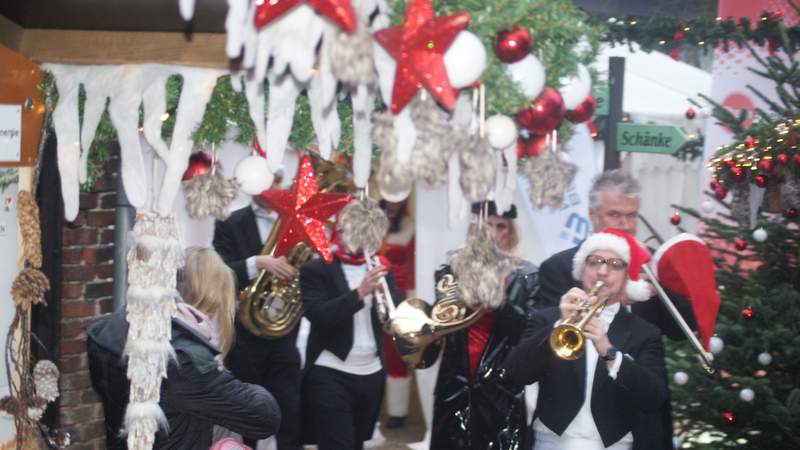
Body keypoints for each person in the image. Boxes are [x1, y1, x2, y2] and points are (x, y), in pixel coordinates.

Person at [87, 247, 281, 449]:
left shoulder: (111, 328)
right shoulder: (185, 359)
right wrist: (230, 381)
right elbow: (266, 417)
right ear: (214, 296)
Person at [503, 229, 669, 450]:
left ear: (626, 277)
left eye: (614, 264)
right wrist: (558, 326)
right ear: (581, 271)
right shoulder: (547, 319)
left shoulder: (644, 333)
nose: (602, 271)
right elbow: (515, 373)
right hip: (550, 443)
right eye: (594, 262)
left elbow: (654, 397)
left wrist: (609, 351)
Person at [430, 201, 539, 449]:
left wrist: (501, 304)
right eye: (487, 226)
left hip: (501, 388)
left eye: (501, 226)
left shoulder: (526, 275)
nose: (493, 233)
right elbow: (440, 320)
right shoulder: (451, 268)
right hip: (455, 382)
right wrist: (463, 294)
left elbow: (527, 331)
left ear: (510, 231)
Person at [212, 188, 303, 450]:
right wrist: (257, 263)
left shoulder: (295, 222)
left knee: (290, 413)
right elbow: (220, 273)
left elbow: (309, 270)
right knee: (247, 414)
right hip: (245, 339)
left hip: (284, 334)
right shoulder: (230, 222)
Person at [298, 223, 401, 450]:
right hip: (330, 372)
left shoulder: (380, 268)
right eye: (349, 230)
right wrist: (359, 293)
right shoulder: (317, 269)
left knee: (356, 444)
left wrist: (388, 296)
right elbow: (319, 315)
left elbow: (397, 315)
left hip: (371, 372)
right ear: (339, 233)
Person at [378, 198, 415, 429]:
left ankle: (397, 412)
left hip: (398, 296)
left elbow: (412, 264)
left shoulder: (411, 226)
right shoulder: (371, 221)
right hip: (370, 291)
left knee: (395, 354)